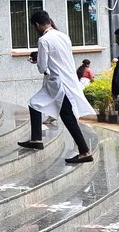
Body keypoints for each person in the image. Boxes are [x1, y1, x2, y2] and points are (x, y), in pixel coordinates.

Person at [19, 9, 95, 163]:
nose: (36, 29)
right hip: (66, 80)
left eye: (35, 27)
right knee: (34, 104)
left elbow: (42, 67)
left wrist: (37, 61)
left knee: (67, 116)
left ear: (38, 24)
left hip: (58, 84)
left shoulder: (44, 40)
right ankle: (36, 139)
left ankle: (85, 151)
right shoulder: (64, 36)